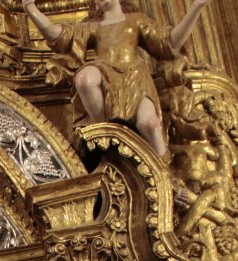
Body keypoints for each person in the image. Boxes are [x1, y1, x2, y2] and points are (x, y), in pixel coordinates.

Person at [22, 0, 212, 156]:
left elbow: (168, 42)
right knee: (84, 79)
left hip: (134, 77)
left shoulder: (136, 20)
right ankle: (108, 131)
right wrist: (31, 8)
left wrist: (196, 7)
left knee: (150, 124)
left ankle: (164, 171)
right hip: (105, 72)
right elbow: (59, 36)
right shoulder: (92, 26)